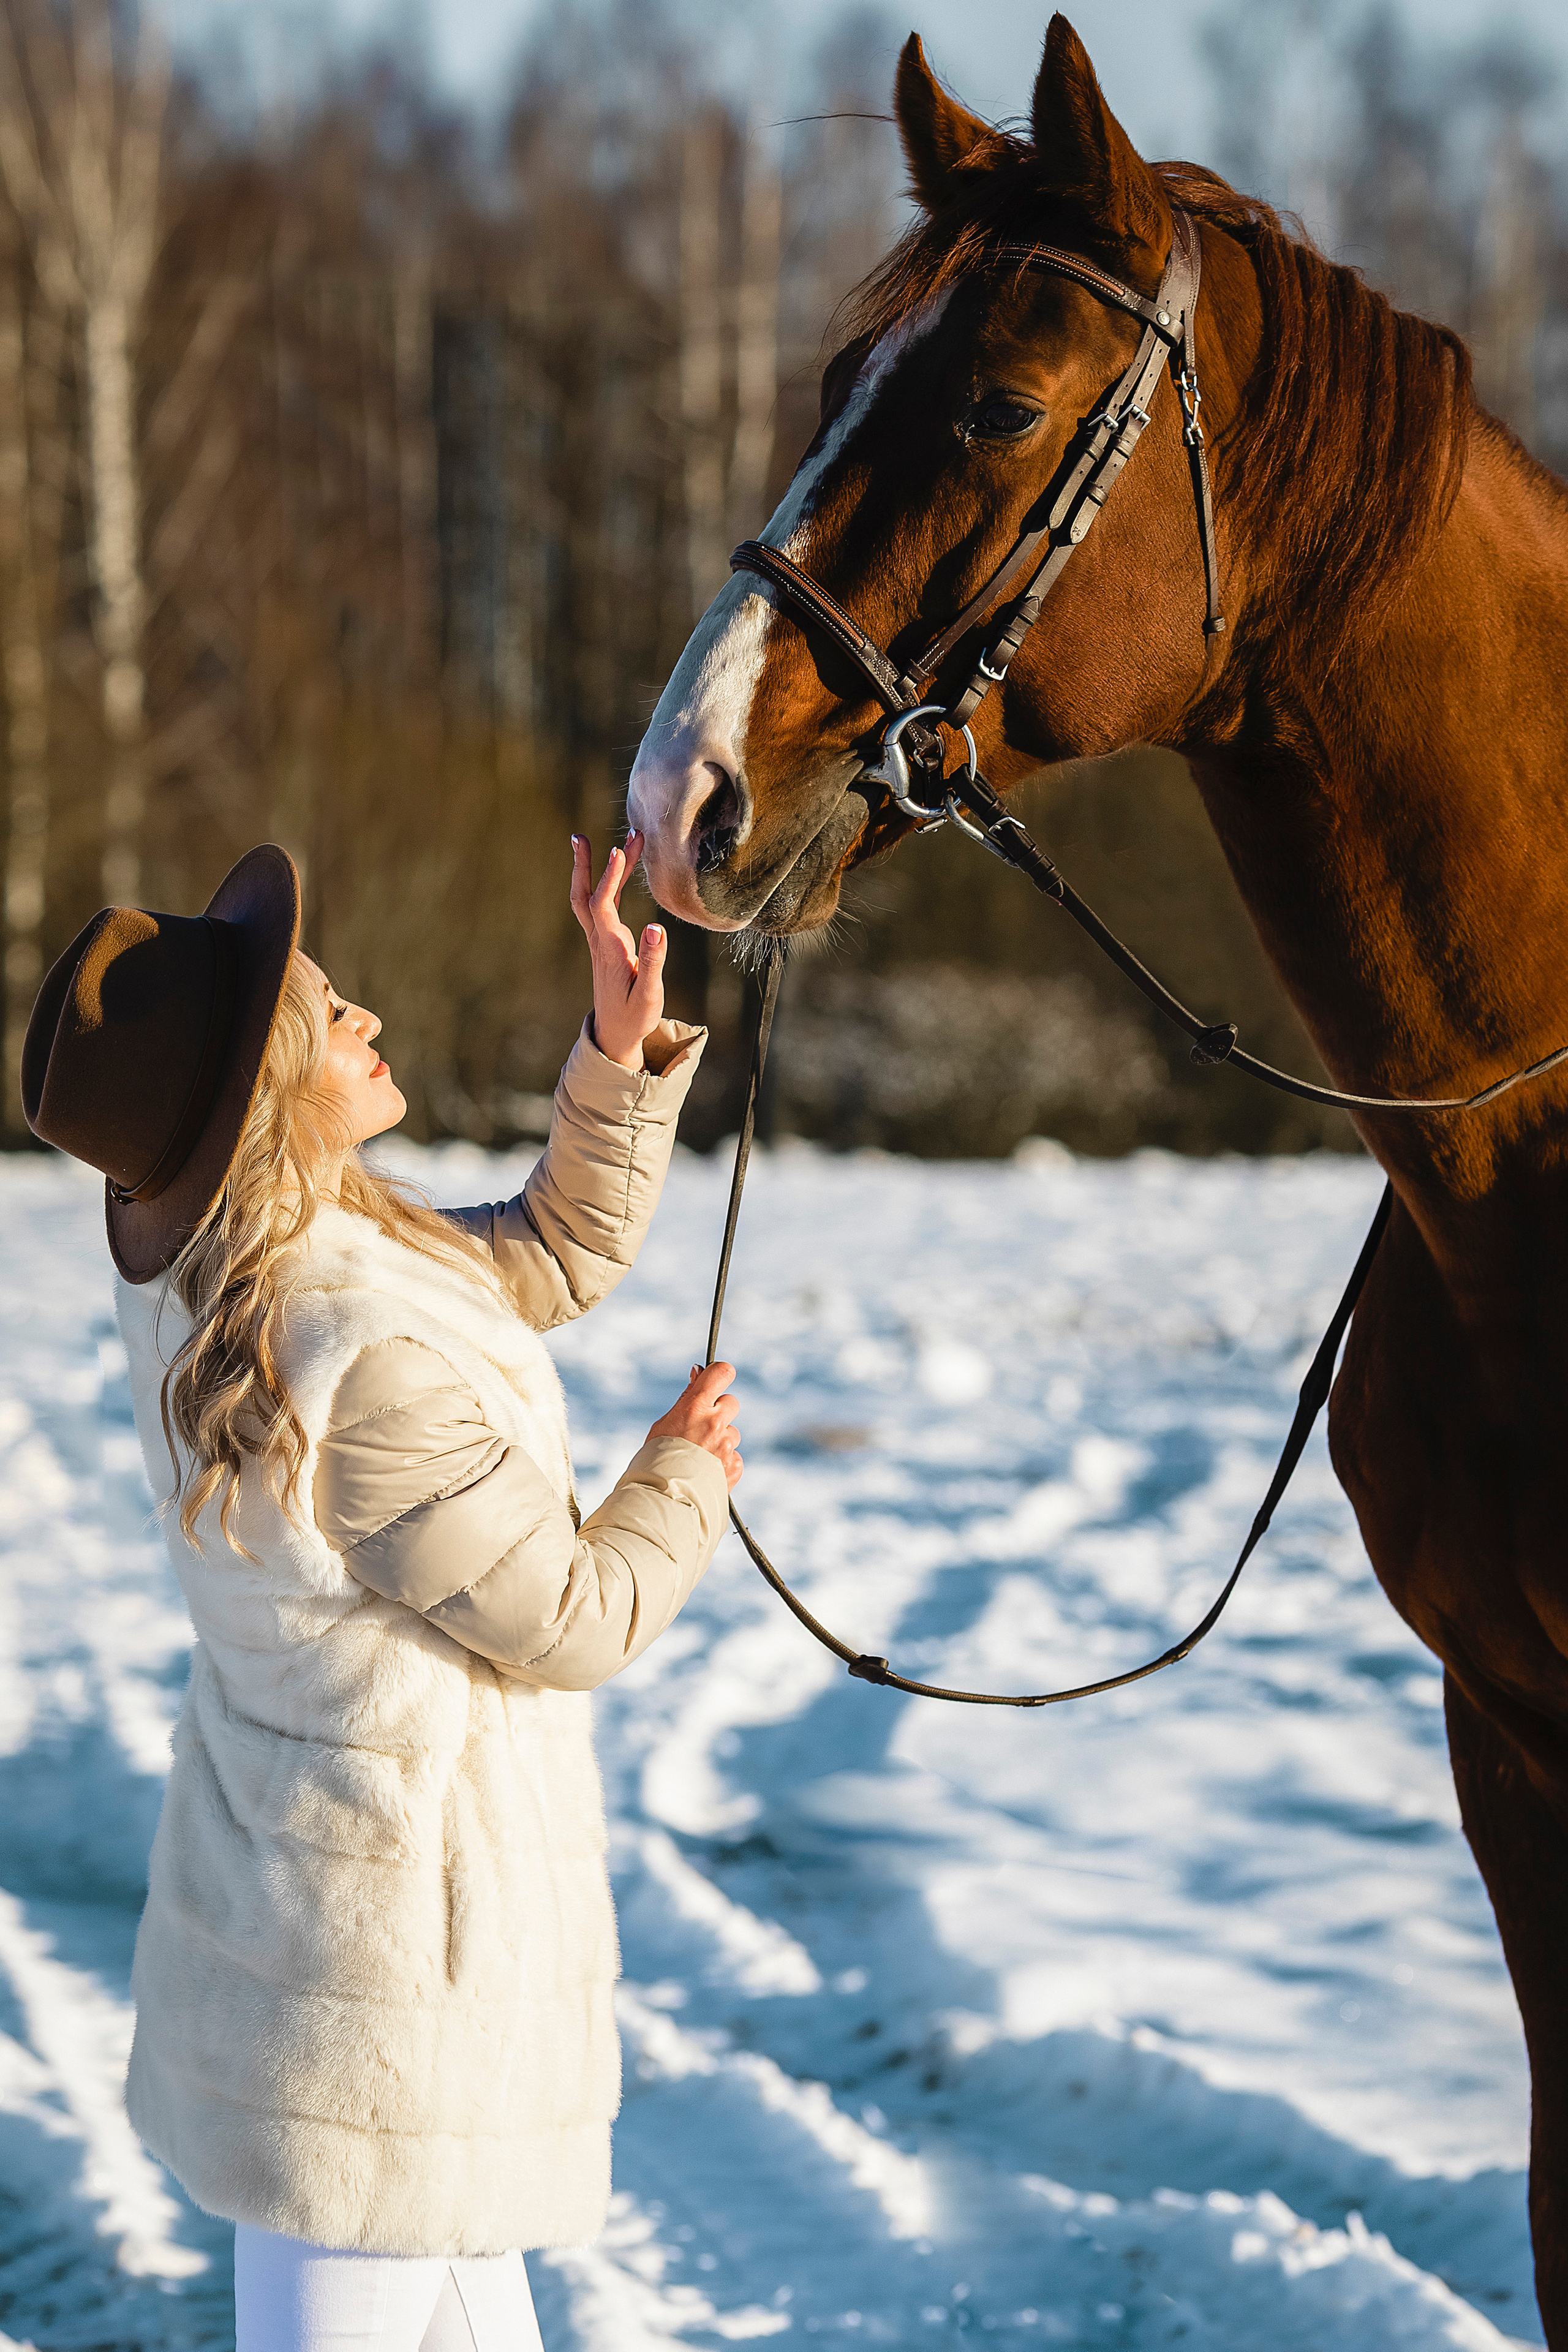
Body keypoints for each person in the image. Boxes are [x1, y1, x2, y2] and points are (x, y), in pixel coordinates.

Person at [20, 834, 740, 2352]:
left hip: (323, 1951)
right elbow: (571, 1617)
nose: (369, 1026)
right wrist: (681, 1476)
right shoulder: (351, 1350)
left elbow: (536, 1258)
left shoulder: (265, 1271)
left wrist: (616, 1053)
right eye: (330, 1017)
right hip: (387, 1996)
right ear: (272, 1096)